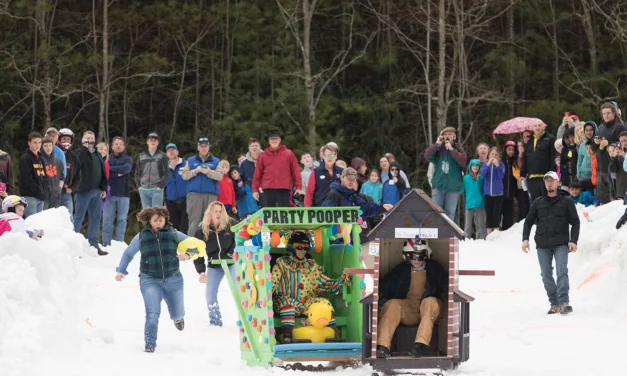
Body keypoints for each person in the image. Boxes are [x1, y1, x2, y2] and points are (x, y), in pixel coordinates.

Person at [115, 207, 203, 353]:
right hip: (149, 279)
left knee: (177, 312)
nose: (158, 223)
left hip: (173, 278)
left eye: (161, 220)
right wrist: (120, 270)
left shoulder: (174, 233)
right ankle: (150, 344)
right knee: (152, 312)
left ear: (165, 221)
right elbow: (128, 253)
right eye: (155, 220)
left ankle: (177, 318)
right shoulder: (141, 236)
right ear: (149, 221)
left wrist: (187, 255)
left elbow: (196, 246)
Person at [271, 231, 350, 343]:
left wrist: (341, 281)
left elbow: (325, 283)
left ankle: (334, 334)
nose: (302, 251)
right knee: (286, 302)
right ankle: (287, 335)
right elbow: (272, 283)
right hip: (285, 300)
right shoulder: (282, 264)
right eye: (299, 247)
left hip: (306, 303)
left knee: (323, 303)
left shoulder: (311, 266)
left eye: (305, 248)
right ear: (292, 248)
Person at [376, 238, 447, 358]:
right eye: (412, 256)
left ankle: (420, 345)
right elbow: (384, 286)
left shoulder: (435, 268)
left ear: (426, 254)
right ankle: (382, 346)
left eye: (420, 256)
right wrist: (382, 301)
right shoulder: (401, 270)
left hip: (431, 308)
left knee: (429, 302)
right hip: (410, 309)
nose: (416, 260)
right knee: (393, 304)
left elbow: (446, 285)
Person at [522, 171, 579, 315]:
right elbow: (528, 221)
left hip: (561, 243)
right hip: (542, 244)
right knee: (546, 275)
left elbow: (575, 222)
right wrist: (525, 239)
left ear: (557, 182)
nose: (549, 183)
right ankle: (554, 303)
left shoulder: (566, 201)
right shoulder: (538, 202)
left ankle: (564, 302)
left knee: (562, 272)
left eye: (552, 180)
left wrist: (573, 241)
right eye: (547, 180)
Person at [193, 201, 236, 326]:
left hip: (231, 262)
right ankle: (215, 320)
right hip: (215, 265)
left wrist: (232, 253)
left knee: (239, 289)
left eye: (220, 211)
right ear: (210, 213)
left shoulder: (230, 224)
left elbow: (240, 237)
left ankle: (245, 318)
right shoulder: (202, 229)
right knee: (210, 293)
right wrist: (201, 271)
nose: (218, 214)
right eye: (215, 211)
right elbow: (198, 251)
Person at [73, 131, 108, 255]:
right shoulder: (79, 152)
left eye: (91, 138)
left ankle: (93, 244)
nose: (89, 140)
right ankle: (74, 245)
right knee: (78, 217)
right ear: (82, 140)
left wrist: (103, 187)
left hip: (97, 191)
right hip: (83, 191)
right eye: (87, 138)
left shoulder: (98, 154)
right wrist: (84, 148)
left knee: (96, 218)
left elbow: (102, 171)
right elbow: (77, 166)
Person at [423, 127, 467, 223]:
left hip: (453, 187)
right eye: (445, 134)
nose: (447, 136)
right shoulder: (438, 149)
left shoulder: (458, 148)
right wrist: (436, 144)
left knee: (450, 213)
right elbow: (427, 155)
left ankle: (448, 236)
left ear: (454, 136)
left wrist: (452, 150)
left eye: (450, 134)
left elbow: (463, 161)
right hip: (438, 186)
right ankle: (437, 236)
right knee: (435, 212)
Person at [181, 136, 223, 235]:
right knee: (194, 222)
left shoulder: (216, 161)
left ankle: (210, 245)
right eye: (201, 146)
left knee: (210, 221)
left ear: (208, 147)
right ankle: (191, 246)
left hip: (211, 195)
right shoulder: (190, 160)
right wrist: (196, 170)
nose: (203, 148)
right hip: (194, 195)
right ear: (198, 147)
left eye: (205, 146)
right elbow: (184, 175)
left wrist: (209, 172)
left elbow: (220, 176)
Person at [252, 130, 303, 207]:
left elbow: (295, 170)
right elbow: (257, 174)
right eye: (272, 139)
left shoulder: (288, 153)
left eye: (276, 138)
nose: (274, 141)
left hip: (284, 188)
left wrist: (298, 186)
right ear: (268, 141)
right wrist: (255, 190)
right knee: (270, 214)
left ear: (280, 140)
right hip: (268, 189)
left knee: (283, 214)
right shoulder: (263, 155)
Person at [103, 137, 133, 246]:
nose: (118, 146)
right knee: (107, 220)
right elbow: (105, 172)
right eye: (116, 144)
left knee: (122, 219)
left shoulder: (128, 159)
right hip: (108, 194)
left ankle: (119, 243)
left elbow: (126, 169)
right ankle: (106, 243)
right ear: (112, 146)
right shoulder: (107, 159)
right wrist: (117, 173)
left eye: (120, 144)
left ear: (124, 147)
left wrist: (110, 170)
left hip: (123, 194)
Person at [135, 132, 169, 208]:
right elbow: (137, 172)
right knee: (146, 215)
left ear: (158, 142)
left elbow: (166, 173)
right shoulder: (141, 156)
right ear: (147, 142)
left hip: (156, 189)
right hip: (143, 189)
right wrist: (139, 186)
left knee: (156, 214)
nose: (152, 142)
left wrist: (160, 186)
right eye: (151, 140)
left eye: (155, 140)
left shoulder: (162, 155)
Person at [305, 143, 343, 207]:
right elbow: (309, 192)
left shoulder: (342, 171)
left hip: (338, 209)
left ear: (336, 156)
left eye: (332, 155)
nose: (330, 158)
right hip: (320, 209)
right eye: (327, 155)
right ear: (323, 156)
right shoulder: (316, 172)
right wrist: (307, 210)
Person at [18, 132, 47, 217]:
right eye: (35, 142)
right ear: (29, 143)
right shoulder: (26, 158)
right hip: (29, 195)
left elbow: (44, 176)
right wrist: (38, 190)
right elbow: (26, 178)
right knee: (31, 221)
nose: (37, 145)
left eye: (39, 142)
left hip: (40, 196)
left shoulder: (41, 158)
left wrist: (44, 190)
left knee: (39, 222)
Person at [164, 143, 189, 234]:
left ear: (177, 152)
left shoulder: (186, 164)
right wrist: (164, 202)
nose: (171, 152)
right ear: (166, 154)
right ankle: (175, 247)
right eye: (169, 150)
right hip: (171, 201)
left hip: (185, 199)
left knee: (185, 226)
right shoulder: (164, 168)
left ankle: (184, 246)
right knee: (173, 226)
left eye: (173, 150)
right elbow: (163, 186)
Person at [480, 147, 505, 234]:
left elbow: (501, 176)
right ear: (489, 155)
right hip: (488, 194)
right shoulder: (485, 164)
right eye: (492, 154)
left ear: (498, 156)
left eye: (496, 155)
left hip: (498, 194)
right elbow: (482, 175)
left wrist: (497, 165)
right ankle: (489, 235)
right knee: (489, 215)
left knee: (496, 215)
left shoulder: (501, 164)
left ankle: (496, 234)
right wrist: (488, 164)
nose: (494, 156)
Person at [461, 159, 486, 240]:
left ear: (479, 167)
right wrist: (459, 180)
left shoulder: (481, 178)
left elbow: (484, 190)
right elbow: (462, 190)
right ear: (470, 167)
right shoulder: (466, 178)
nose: (475, 167)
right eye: (473, 165)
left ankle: (481, 239)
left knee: (481, 224)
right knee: (467, 225)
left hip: (480, 204)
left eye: (477, 166)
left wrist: (482, 199)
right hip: (469, 204)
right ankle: (466, 240)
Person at [41, 137, 65, 210]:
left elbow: (62, 177)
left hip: (55, 195)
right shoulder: (39, 160)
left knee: (54, 219)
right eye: (45, 146)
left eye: (50, 145)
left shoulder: (58, 161)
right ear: (41, 147)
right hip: (43, 196)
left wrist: (59, 188)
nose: (48, 148)